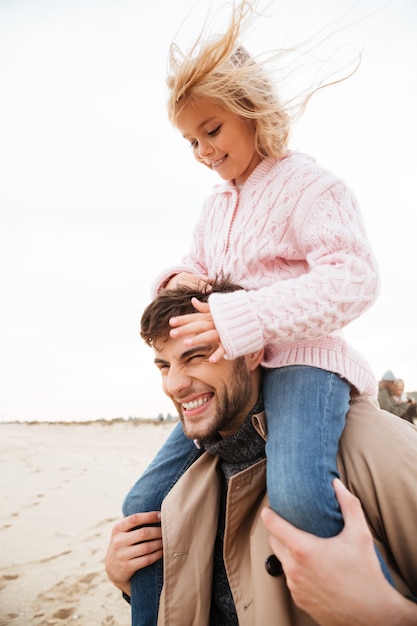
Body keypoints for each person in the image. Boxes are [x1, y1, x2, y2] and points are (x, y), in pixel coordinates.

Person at [124, 1, 382, 622]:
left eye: (211, 131)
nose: (201, 151)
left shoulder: (311, 187)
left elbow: (354, 280)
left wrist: (244, 319)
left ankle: (378, 597)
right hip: (234, 380)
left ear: (255, 111)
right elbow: (196, 266)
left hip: (300, 366)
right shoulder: (215, 207)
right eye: (190, 140)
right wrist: (179, 278)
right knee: (144, 504)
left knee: (295, 495)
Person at [105, 280, 417, 625]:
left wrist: (386, 613)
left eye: (196, 356)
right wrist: (131, 583)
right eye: (165, 366)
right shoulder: (180, 485)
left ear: (252, 350)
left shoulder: (376, 447)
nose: (174, 384)